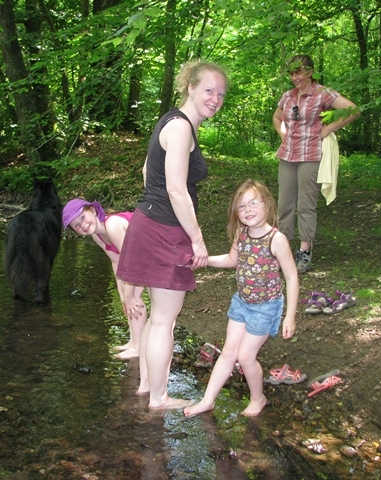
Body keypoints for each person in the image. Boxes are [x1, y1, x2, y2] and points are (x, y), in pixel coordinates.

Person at [116, 60, 228, 410]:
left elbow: (148, 170)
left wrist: (155, 206)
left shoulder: (171, 121)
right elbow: (178, 191)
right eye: (209, 90)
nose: (215, 98)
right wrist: (196, 239)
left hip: (148, 223)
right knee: (165, 318)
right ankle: (159, 397)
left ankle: (148, 386)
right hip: (164, 229)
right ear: (190, 87)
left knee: (156, 315)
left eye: (221, 93)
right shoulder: (181, 129)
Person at [183, 179, 299, 418]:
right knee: (228, 352)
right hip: (242, 303)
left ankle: (259, 398)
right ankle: (207, 400)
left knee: (246, 356)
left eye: (254, 203)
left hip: (266, 307)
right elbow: (231, 260)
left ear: (267, 204)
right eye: (242, 206)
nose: (248, 210)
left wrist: (289, 317)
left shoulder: (276, 240)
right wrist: (204, 260)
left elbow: (292, 277)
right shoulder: (242, 233)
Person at [272, 54, 360, 274]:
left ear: (310, 72)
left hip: (311, 154)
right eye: (291, 73)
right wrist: (283, 134)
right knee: (284, 204)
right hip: (288, 155)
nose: (295, 77)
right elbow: (277, 117)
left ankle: (305, 251)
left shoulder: (322, 93)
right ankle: (282, 249)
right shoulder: (288, 96)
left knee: (305, 204)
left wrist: (329, 128)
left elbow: (353, 109)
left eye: (299, 72)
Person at [62, 199, 146, 360]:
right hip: (140, 260)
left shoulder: (112, 225)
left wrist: (128, 296)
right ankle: (134, 342)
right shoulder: (98, 236)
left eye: (82, 218)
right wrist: (122, 294)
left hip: (156, 254)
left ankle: (138, 347)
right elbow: (117, 262)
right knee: (127, 299)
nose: (83, 225)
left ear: (93, 211)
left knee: (133, 297)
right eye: (77, 226)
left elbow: (132, 261)